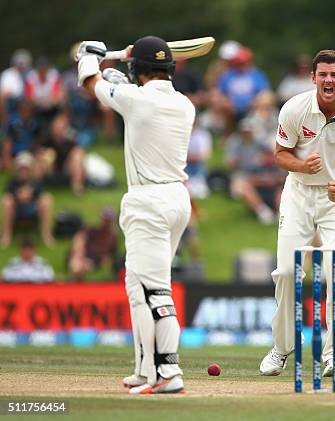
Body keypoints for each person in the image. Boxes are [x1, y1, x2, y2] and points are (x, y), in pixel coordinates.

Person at [77, 35, 193, 394]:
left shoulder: (136, 99)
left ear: (138, 70)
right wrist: (117, 66)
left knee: (154, 289)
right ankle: (146, 369)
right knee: (136, 286)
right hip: (176, 199)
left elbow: (92, 84)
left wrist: (88, 56)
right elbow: (121, 87)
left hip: (149, 203)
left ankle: (168, 372)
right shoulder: (184, 103)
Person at [259, 50, 335, 378]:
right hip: (298, 194)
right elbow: (280, 154)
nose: (328, 80)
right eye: (322, 74)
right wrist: (300, 165)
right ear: (313, 78)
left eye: (334, 75)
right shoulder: (295, 109)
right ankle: (282, 348)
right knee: (285, 272)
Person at [1, 151, 54, 248]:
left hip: (33, 209)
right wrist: (18, 196)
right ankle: (6, 235)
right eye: (21, 168)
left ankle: (46, 234)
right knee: (7, 200)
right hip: (17, 210)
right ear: (17, 169)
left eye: (26, 168)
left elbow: (41, 195)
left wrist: (31, 195)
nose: (24, 171)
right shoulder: (12, 182)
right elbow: (8, 196)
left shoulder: (36, 182)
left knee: (47, 199)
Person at [68, 206, 119, 279]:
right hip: (82, 257)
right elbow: (79, 240)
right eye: (105, 219)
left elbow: (111, 256)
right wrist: (79, 255)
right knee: (77, 266)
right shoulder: (92, 230)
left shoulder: (113, 237)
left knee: (82, 267)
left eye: (109, 219)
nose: (107, 222)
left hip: (95, 262)